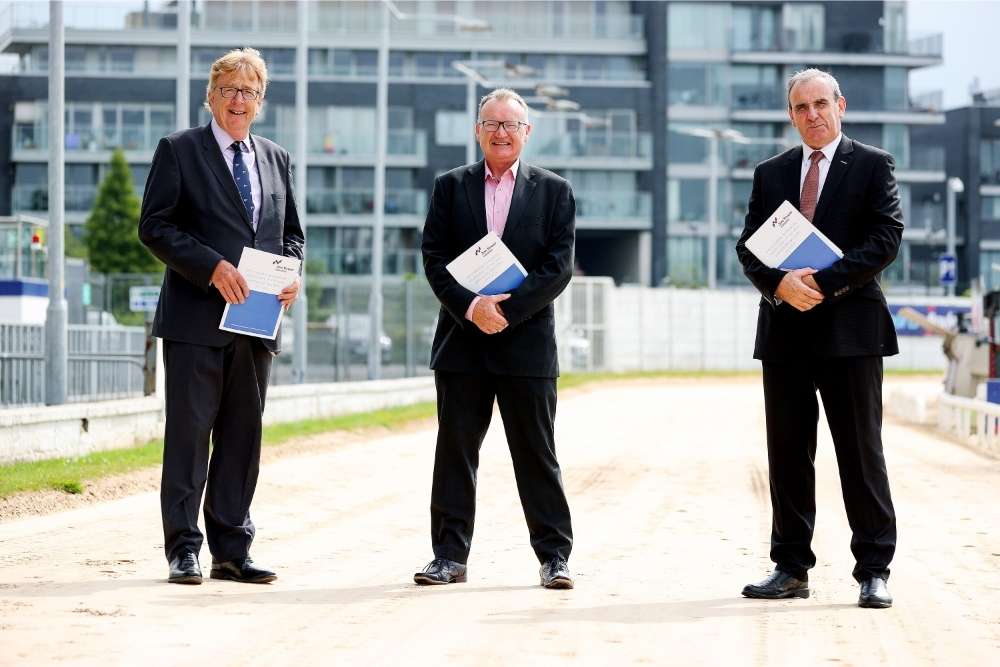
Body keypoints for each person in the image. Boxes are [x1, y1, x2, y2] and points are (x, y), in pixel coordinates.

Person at [735, 68, 902, 608]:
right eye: (801, 107)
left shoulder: (873, 165)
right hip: (785, 331)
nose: (812, 115)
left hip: (851, 331)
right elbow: (749, 247)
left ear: (840, 105)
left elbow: (885, 238)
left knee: (860, 452)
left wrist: (822, 285)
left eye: (820, 104)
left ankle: (874, 569)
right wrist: (781, 283)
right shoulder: (771, 173)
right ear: (791, 114)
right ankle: (790, 567)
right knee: (786, 454)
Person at [139, 48, 304, 585]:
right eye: (229, 89)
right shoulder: (179, 151)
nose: (238, 100)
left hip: (257, 324)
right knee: (189, 435)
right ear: (210, 96)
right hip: (195, 320)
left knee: (242, 436)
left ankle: (232, 549)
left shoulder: (276, 158)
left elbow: (291, 234)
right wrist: (211, 267)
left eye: (249, 92)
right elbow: (155, 227)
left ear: (261, 101)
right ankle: (183, 548)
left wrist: (293, 273)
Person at [416, 88, 576, 589]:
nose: (501, 132)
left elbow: (558, 268)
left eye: (511, 125)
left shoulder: (554, 191)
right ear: (477, 131)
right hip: (462, 343)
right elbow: (434, 258)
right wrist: (472, 308)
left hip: (526, 345)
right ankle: (448, 557)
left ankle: (555, 557)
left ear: (527, 133)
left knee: (536, 453)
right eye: (492, 124)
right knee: (455, 452)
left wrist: (506, 312)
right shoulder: (449, 187)